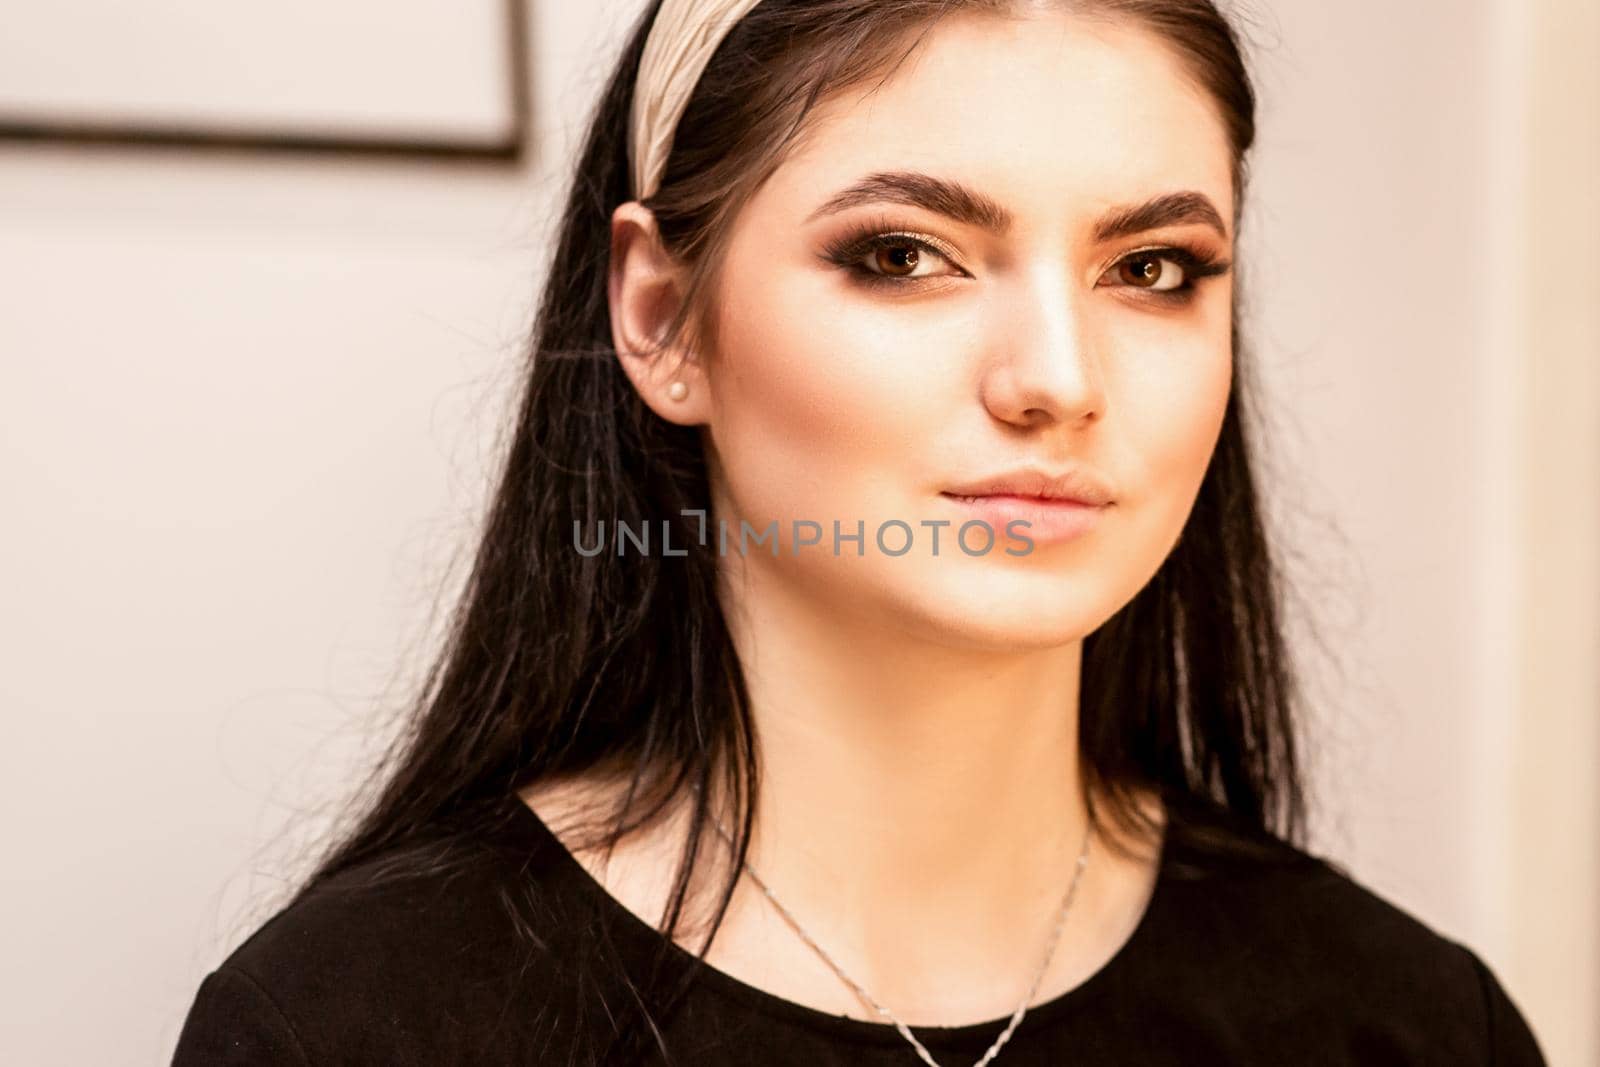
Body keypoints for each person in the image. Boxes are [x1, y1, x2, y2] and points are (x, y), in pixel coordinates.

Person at [172, 1, 1548, 1064]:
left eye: (1152, 270)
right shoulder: (355, 1027)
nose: (1058, 380)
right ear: (659, 318)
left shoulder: (1411, 1029)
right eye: (904, 255)